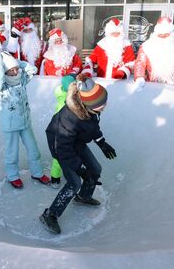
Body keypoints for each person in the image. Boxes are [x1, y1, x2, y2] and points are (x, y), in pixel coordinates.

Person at [40, 74, 117, 235]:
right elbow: (63, 148)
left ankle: (83, 196)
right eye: (102, 104)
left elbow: (93, 127)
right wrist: (80, 169)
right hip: (61, 147)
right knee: (74, 181)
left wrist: (102, 142)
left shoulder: (90, 110)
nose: (105, 106)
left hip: (75, 142)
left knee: (95, 169)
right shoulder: (70, 118)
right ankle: (50, 215)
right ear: (90, 105)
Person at [0, 52, 50, 189]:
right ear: (5, 71)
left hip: (25, 123)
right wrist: (0, 64)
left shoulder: (21, 80)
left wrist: (17, 62)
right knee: (12, 152)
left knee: (33, 149)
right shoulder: (2, 86)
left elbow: (32, 70)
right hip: (10, 125)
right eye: (12, 70)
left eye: (16, 68)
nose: (16, 71)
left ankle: (37, 172)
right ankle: (13, 176)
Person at [133, 17, 174, 90]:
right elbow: (140, 64)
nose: (163, 38)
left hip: (173, 87)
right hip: (151, 86)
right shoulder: (147, 46)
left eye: (166, 35)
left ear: (172, 34)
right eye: (160, 35)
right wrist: (139, 78)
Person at [49, 74, 77, 189]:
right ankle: (55, 178)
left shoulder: (61, 96)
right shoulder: (67, 103)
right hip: (62, 134)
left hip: (60, 132)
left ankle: (57, 177)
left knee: (60, 157)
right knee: (60, 157)